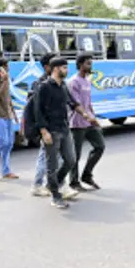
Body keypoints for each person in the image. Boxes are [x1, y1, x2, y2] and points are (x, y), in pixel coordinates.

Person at [34, 57, 97, 209]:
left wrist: (86, 114)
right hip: (51, 131)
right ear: (55, 69)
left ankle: (53, 183)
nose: (66, 70)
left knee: (71, 159)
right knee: (52, 164)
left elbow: (73, 103)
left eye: (66, 68)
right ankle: (56, 196)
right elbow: (38, 111)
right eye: (64, 68)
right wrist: (44, 131)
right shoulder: (44, 87)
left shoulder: (63, 86)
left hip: (64, 128)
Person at [68, 54, 105, 192]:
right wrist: (88, 116)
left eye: (91, 63)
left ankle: (87, 175)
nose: (91, 66)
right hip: (77, 123)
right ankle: (73, 182)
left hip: (89, 122)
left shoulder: (88, 81)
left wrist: (93, 117)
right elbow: (76, 104)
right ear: (80, 65)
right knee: (75, 155)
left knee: (100, 146)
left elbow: (88, 103)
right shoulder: (73, 82)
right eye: (88, 64)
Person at [29, 53, 60, 197]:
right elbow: (36, 107)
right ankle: (39, 185)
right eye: (56, 65)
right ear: (47, 67)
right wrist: (43, 129)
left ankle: (48, 185)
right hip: (47, 126)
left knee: (53, 156)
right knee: (46, 156)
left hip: (57, 125)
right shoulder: (40, 83)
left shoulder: (56, 81)